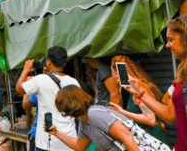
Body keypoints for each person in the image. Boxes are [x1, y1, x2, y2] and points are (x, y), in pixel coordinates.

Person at [127, 16, 187, 151]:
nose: (167, 45)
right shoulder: (182, 73)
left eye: (171, 40)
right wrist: (141, 93)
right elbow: (171, 116)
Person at [50, 85, 154, 151]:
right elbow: (79, 146)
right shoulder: (84, 122)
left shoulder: (95, 113)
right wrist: (56, 133)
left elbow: (127, 137)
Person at [16, 46, 80, 151]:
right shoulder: (74, 82)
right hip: (69, 142)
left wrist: (26, 69)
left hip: (47, 144)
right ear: (64, 63)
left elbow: (19, 88)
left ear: (48, 62)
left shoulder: (41, 80)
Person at [108, 55, 169, 145]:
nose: (112, 75)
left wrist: (122, 112)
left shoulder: (138, 90)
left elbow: (150, 119)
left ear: (117, 72)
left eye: (111, 71)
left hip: (152, 139)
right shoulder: (136, 87)